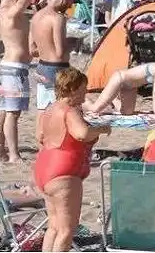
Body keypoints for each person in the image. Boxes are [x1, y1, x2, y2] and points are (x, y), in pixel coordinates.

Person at [35, 68, 111, 252]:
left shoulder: (49, 109)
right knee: (67, 230)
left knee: (54, 227)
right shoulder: (69, 111)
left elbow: (39, 136)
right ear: (72, 89)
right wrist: (101, 129)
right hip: (63, 173)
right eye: (83, 88)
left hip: (44, 167)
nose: (86, 92)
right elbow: (82, 133)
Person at [83, 53, 155, 117]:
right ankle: (81, 101)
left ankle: (113, 99)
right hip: (120, 79)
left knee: (127, 113)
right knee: (95, 109)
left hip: (130, 86)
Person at [0, 0, 33, 163]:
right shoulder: (11, 13)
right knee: (12, 113)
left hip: (7, 67)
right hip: (14, 68)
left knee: (2, 111)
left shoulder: (3, 12)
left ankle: (0, 153)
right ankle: (13, 154)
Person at [32, 0, 75, 111]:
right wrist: (72, 43)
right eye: (71, 3)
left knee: (43, 111)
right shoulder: (58, 18)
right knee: (61, 111)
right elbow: (60, 52)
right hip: (57, 69)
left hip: (41, 67)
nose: (70, 7)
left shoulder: (36, 16)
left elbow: (32, 50)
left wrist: (46, 45)